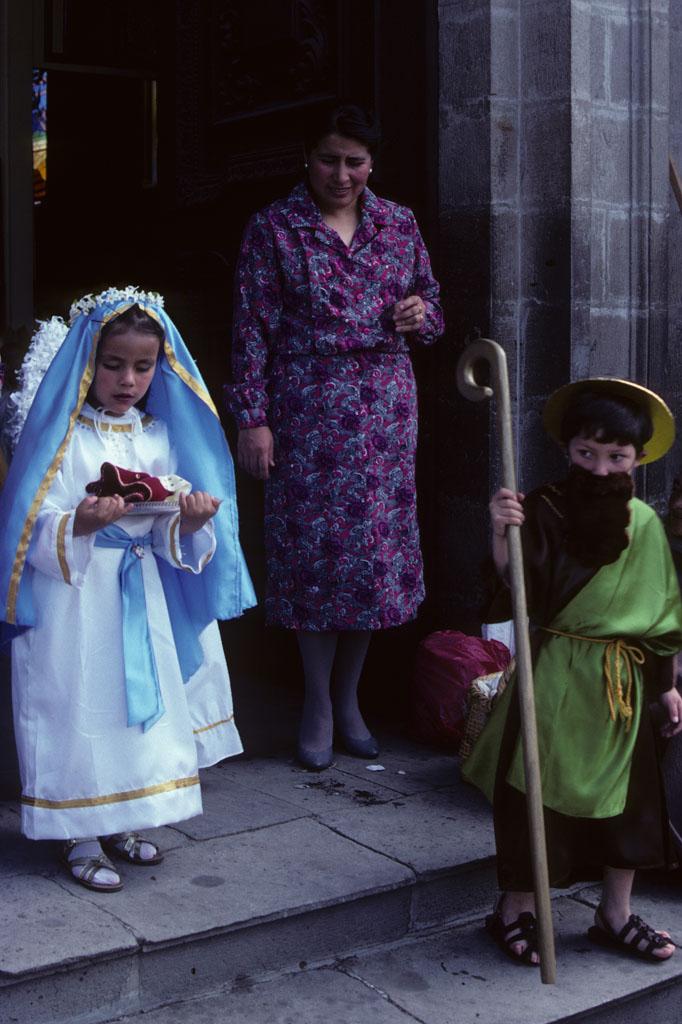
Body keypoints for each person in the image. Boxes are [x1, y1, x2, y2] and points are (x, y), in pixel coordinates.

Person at [0, 286, 255, 891]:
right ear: (87, 361)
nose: (127, 380)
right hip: (74, 597)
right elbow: (27, 526)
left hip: (141, 588)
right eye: (113, 364)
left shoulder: (159, 434)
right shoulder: (63, 438)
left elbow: (170, 529)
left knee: (134, 713)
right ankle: (79, 832)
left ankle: (128, 819)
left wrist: (190, 521)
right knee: (78, 706)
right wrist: (79, 524)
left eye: (142, 366)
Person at [226, 104, 444, 769]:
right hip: (306, 412)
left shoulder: (398, 224)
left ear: (371, 162)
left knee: (372, 564)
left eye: (354, 161)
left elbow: (432, 309)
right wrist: (252, 419)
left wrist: (420, 313)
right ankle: (317, 703)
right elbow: (249, 331)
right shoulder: (274, 228)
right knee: (315, 562)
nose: (342, 174)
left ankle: (349, 700)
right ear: (306, 158)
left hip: (384, 411)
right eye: (329, 159)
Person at [462, 378, 682, 965]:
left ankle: (615, 914)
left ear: (639, 458)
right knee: (537, 797)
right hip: (554, 676)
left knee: (632, 802)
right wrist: (501, 533)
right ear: (568, 449)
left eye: (617, 457)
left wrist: (666, 686)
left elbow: (663, 615)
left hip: (621, 689)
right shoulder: (543, 508)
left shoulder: (646, 524)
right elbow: (518, 594)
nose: (601, 468)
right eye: (587, 453)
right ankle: (515, 910)